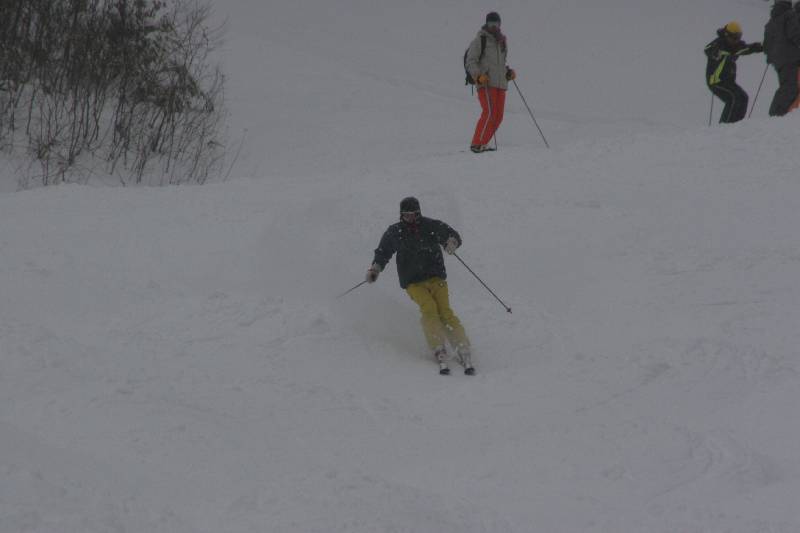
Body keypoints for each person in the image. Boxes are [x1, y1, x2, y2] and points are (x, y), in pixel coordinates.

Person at [365, 197, 474, 375]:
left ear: (418, 213)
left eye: (413, 214)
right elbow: (383, 251)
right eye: (406, 215)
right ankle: (438, 346)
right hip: (413, 281)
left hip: (436, 277)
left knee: (445, 311)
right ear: (401, 215)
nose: (410, 218)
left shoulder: (430, 226)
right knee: (429, 308)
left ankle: (462, 346)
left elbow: (451, 234)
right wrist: (375, 269)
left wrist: (451, 243)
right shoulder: (395, 232)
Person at [465, 12, 516, 153]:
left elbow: (500, 64)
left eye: (496, 24)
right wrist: (478, 76)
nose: (493, 27)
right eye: (490, 24)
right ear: (486, 24)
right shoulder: (480, 39)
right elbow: (470, 61)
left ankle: (483, 143)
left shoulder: (502, 42)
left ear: (499, 25)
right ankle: (476, 143)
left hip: (501, 85)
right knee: (489, 113)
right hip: (486, 83)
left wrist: (508, 73)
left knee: (498, 116)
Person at [704, 21, 763, 123]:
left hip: (728, 81)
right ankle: (724, 126)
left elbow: (747, 49)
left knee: (743, 97)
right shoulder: (719, 43)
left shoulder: (735, 46)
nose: (737, 40)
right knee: (733, 97)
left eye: (739, 37)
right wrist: (715, 52)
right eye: (735, 38)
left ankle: (737, 125)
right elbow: (707, 49)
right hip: (716, 81)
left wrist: (762, 46)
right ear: (727, 35)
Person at [764, 0, 800, 116]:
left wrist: (772, 57)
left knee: (788, 87)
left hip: (779, 62)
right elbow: (795, 34)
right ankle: (776, 115)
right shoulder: (789, 15)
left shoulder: (772, 21)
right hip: (791, 58)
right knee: (790, 88)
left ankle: (781, 114)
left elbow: (766, 45)